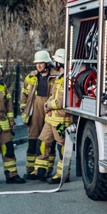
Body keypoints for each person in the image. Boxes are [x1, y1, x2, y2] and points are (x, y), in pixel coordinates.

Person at [35, 48, 72, 184]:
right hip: (51, 119)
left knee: (62, 147)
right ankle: (41, 170)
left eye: (56, 61)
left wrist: (48, 105)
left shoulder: (65, 80)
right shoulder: (59, 78)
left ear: (59, 63)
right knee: (42, 142)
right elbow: (53, 96)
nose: (54, 64)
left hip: (61, 121)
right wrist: (48, 105)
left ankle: (62, 175)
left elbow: (61, 102)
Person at [20, 50, 54, 179]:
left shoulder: (55, 76)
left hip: (49, 109)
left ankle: (46, 170)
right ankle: (30, 169)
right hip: (35, 109)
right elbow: (24, 95)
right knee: (33, 140)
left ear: (47, 63)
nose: (38, 66)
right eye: (37, 63)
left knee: (48, 141)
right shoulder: (30, 77)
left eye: (41, 63)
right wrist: (24, 112)